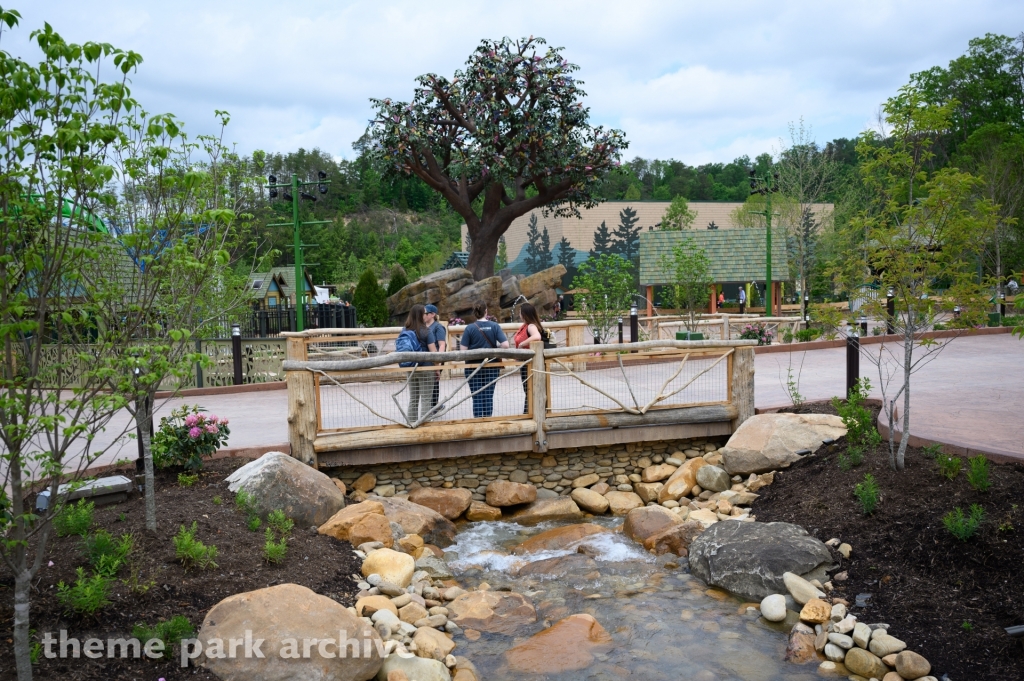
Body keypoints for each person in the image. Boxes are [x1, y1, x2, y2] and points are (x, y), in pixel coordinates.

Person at [459, 302, 509, 417]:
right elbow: (505, 345)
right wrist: (495, 348)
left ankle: (478, 422)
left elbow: (463, 350)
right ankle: (488, 422)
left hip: (473, 367)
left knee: (476, 396)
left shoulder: (470, 328)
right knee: (488, 396)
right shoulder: (494, 326)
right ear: (486, 311)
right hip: (492, 366)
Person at [396, 304, 432, 423]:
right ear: (421, 315)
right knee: (426, 399)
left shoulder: (405, 330)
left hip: (410, 367)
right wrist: (438, 367)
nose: (426, 315)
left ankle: (411, 424)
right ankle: (424, 427)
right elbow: (434, 353)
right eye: (425, 313)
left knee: (413, 399)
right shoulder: (426, 331)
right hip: (425, 368)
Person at [513, 303, 548, 413]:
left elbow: (537, 336)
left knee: (530, 388)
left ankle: (530, 412)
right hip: (525, 362)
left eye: (520, 312)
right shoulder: (525, 325)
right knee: (528, 388)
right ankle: (530, 412)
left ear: (524, 314)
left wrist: (523, 343)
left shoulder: (531, 326)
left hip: (530, 363)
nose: (519, 314)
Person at [424, 304, 446, 409]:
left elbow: (442, 344)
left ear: (432, 314)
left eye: (426, 313)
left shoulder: (438, 327)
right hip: (424, 359)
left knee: (434, 382)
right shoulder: (423, 326)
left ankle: (434, 405)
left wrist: (439, 361)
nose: (423, 315)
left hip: (435, 359)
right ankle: (430, 405)